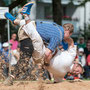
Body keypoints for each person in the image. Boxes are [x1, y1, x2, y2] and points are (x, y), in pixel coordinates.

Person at [4, 1, 74, 65]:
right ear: (68, 32)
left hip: (31, 25)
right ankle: (26, 15)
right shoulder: (59, 36)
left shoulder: (55, 25)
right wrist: (47, 63)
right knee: (39, 49)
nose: (68, 37)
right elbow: (47, 53)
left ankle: (15, 21)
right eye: (69, 35)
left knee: (31, 26)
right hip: (31, 33)